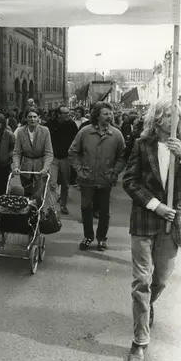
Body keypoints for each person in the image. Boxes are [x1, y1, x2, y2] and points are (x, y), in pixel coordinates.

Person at [122, 99, 181, 361]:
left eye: (178, 116)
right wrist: (155, 205)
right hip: (145, 219)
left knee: (159, 280)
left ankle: (147, 306)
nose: (174, 120)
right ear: (157, 119)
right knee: (142, 281)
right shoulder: (142, 145)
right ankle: (139, 341)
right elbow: (129, 181)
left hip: (173, 222)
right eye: (168, 116)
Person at [68, 102, 126, 252]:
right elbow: (73, 152)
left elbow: (122, 156)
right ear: (97, 115)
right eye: (105, 114)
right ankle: (88, 236)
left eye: (110, 114)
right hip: (87, 179)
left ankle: (101, 238)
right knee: (86, 208)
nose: (109, 116)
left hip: (105, 179)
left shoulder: (116, 134)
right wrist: (79, 170)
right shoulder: (85, 132)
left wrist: (114, 173)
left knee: (104, 211)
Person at [12, 107, 53, 199]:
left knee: (38, 195)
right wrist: (16, 166)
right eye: (30, 117)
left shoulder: (45, 131)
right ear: (26, 118)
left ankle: (38, 206)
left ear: (38, 118)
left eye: (35, 117)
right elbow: (17, 152)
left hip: (40, 166)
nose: (32, 119)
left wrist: (45, 168)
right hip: (26, 166)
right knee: (26, 193)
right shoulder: (21, 131)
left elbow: (49, 153)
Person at [48, 105, 78, 215]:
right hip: (53, 158)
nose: (68, 115)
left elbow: (76, 140)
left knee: (65, 183)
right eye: (65, 113)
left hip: (66, 158)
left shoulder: (72, 125)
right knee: (52, 183)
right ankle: (51, 207)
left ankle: (63, 205)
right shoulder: (50, 125)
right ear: (59, 115)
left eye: (68, 113)